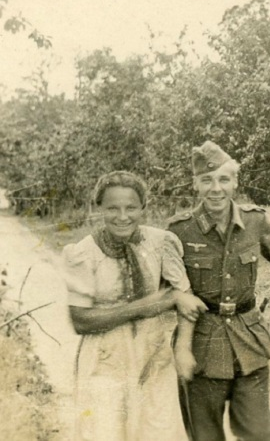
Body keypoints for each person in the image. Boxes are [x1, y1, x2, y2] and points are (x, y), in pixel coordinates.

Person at [62, 170, 207, 441]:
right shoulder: (84, 253)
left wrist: (182, 347)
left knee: (159, 432)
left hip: (154, 356)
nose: (122, 216)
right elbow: (80, 320)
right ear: (99, 208)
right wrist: (145, 307)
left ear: (143, 207)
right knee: (106, 432)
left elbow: (184, 297)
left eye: (131, 208)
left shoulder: (160, 243)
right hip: (105, 359)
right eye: (112, 208)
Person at [168, 141, 270, 441]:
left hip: (249, 343)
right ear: (195, 184)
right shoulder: (179, 230)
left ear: (235, 182)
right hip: (201, 347)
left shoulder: (255, 220)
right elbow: (165, 287)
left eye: (224, 179)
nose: (216, 189)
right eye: (206, 180)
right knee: (205, 435)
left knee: (260, 434)